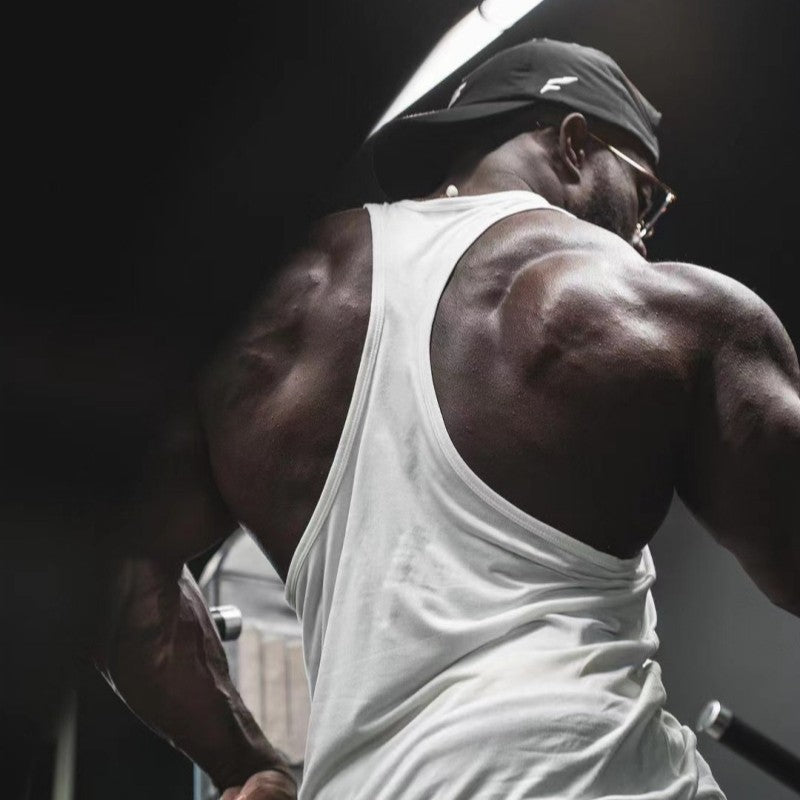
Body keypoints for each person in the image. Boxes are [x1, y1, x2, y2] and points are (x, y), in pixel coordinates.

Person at [96, 38, 799, 799]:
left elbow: (116, 567)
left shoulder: (260, 319)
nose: (644, 232)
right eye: (646, 194)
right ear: (575, 145)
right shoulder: (654, 304)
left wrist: (246, 764)